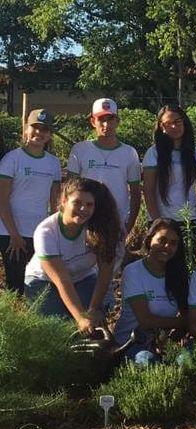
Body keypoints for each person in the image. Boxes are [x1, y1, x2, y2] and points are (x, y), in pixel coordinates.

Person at [24, 178, 121, 333]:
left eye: (89, 205)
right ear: (64, 200)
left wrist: (93, 309)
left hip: (84, 277)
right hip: (44, 281)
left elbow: (105, 272)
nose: (83, 209)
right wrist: (81, 318)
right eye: (77, 203)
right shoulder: (46, 232)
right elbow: (62, 281)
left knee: (95, 320)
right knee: (58, 325)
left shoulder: (100, 227)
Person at [0, 109, 62, 295]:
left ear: (49, 134)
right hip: (11, 233)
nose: (39, 133)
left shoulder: (53, 163)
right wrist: (14, 234)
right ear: (26, 129)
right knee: (16, 283)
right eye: (35, 128)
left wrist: (54, 234)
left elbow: (55, 203)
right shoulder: (12, 159)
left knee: (37, 283)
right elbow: (2, 200)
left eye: (44, 129)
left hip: (39, 233)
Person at [115, 218, 190, 364]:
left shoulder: (179, 275)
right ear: (150, 240)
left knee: (187, 361)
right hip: (130, 342)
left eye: (173, 243)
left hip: (162, 342)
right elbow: (146, 321)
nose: (167, 246)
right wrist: (183, 321)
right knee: (148, 361)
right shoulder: (134, 272)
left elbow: (188, 314)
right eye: (162, 240)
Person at [66, 98, 141, 236]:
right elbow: (69, 189)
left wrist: (128, 225)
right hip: (84, 222)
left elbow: (136, 193)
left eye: (111, 119)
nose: (106, 124)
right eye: (101, 119)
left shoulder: (129, 153)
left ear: (117, 121)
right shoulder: (80, 150)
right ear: (93, 121)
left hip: (115, 223)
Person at [142, 104, 196, 260]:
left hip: (189, 220)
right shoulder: (154, 153)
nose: (174, 126)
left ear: (184, 122)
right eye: (168, 123)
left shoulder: (195, 153)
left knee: (187, 266)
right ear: (161, 128)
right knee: (162, 266)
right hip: (163, 219)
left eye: (177, 121)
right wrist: (157, 223)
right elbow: (149, 191)